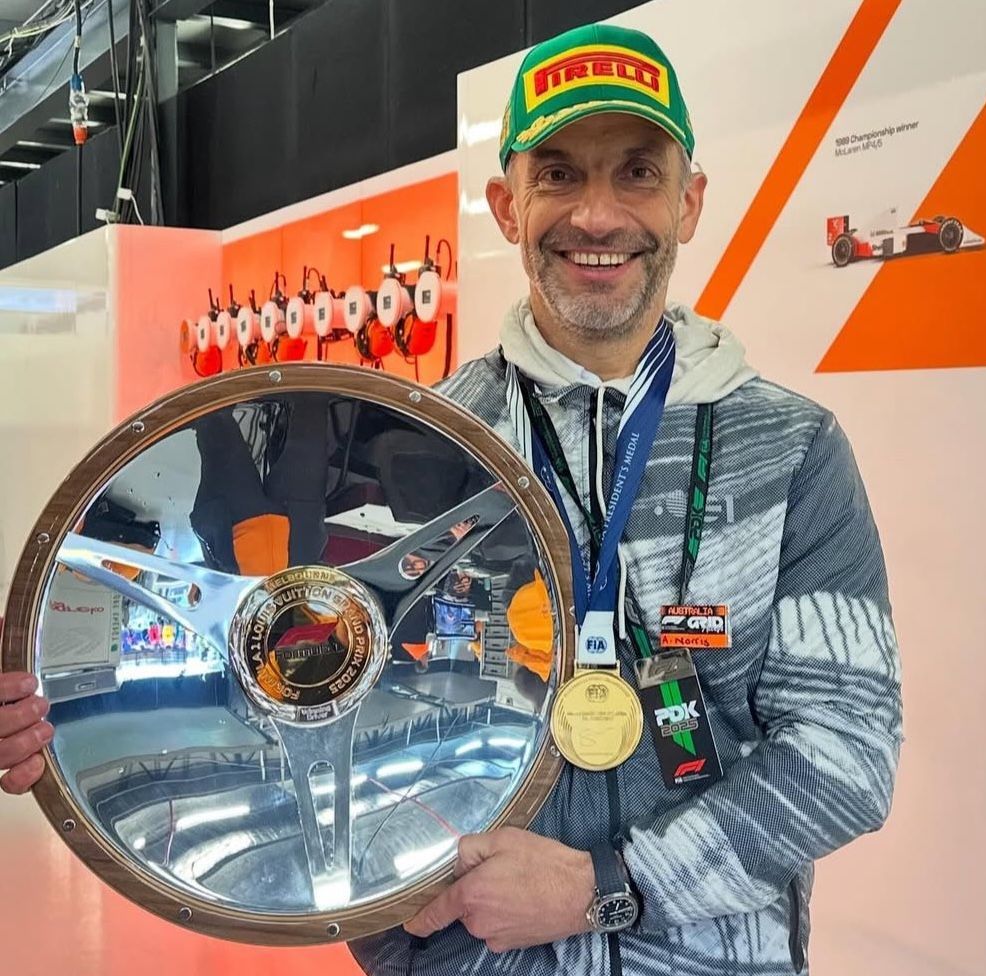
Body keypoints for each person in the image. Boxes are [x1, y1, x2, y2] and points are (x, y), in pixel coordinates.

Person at [0, 22, 902, 976]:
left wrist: (607, 883)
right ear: (507, 206)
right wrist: (57, 707)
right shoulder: (409, 443)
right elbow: (296, 680)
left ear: (690, 203)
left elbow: (847, 755)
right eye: (558, 175)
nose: (597, 215)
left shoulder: (790, 448)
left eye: (636, 172)